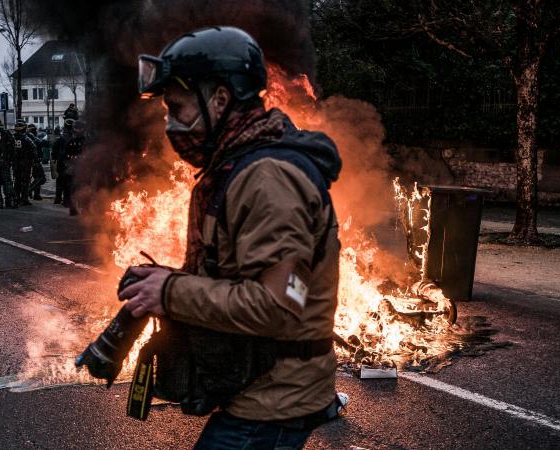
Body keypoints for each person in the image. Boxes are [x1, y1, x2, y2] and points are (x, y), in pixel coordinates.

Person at [117, 27, 344, 449]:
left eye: (178, 108)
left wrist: (172, 292)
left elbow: (279, 306)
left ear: (220, 99)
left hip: (275, 401)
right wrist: (166, 281)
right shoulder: (240, 167)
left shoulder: (268, 179)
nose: (171, 124)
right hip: (259, 390)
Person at [10, 120, 38, 206]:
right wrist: (35, 161)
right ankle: (24, 199)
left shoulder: (11, 138)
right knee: (25, 181)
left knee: (17, 181)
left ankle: (16, 198)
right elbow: (34, 150)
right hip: (25, 163)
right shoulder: (27, 139)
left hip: (15, 163)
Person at [50, 119, 76, 207]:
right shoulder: (74, 138)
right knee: (69, 182)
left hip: (61, 163)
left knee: (60, 181)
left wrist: (55, 159)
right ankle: (66, 200)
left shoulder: (60, 139)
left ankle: (57, 199)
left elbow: (54, 151)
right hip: (71, 163)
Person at [26, 123, 47, 200]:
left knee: (32, 178)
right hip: (35, 161)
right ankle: (30, 191)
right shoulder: (34, 139)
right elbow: (42, 144)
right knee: (40, 178)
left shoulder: (26, 138)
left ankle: (35, 194)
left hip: (26, 162)